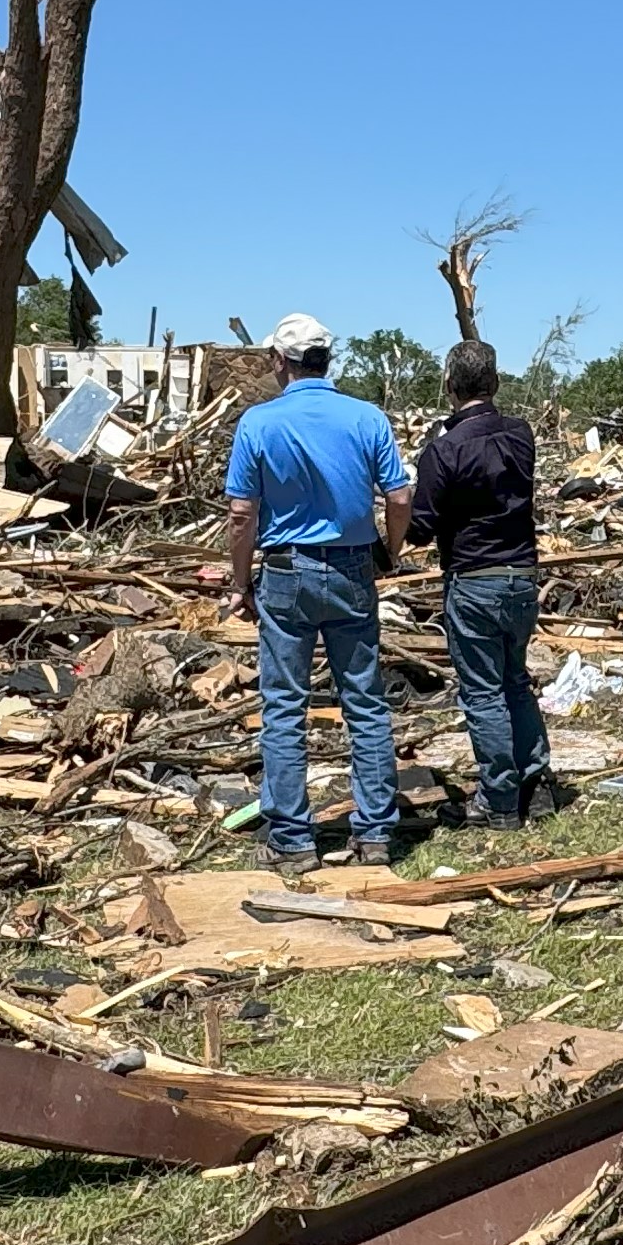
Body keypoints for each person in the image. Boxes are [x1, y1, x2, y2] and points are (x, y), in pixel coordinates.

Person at [223, 312, 411, 872]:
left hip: (285, 572)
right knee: (365, 701)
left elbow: (241, 513)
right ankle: (375, 833)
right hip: (353, 567)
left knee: (284, 706)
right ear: (329, 360)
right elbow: (400, 498)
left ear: (280, 362)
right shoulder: (366, 417)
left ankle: (293, 839)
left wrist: (239, 583)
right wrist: (390, 551)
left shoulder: (259, 423)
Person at [407, 338, 552, 826]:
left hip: (474, 579)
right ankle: (536, 781)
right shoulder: (520, 435)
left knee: (484, 692)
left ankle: (499, 798)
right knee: (515, 680)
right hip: (522, 577)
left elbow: (421, 525)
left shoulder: (444, 450)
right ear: (495, 383)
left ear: (448, 386)